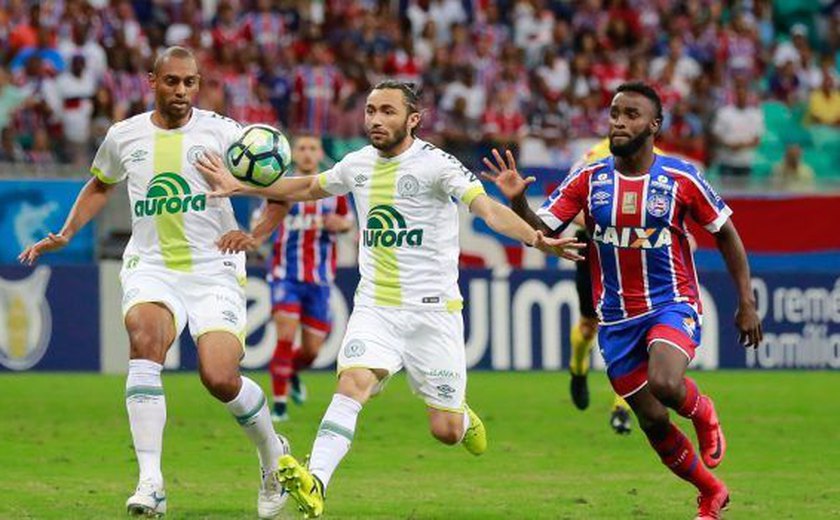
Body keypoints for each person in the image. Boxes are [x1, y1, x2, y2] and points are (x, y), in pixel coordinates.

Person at [195, 79, 584, 518]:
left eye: (387, 112)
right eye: (371, 111)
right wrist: (241, 187)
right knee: (352, 385)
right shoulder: (357, 164)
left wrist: (536, 237)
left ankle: (461, 414)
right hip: (376, 307)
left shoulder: (438, 165)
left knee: (446, 430)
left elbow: (488, 210)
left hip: (433, 314)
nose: (376, 120)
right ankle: (316, 481)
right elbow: (306, 188)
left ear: (412, 120)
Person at [18, 46, 289, 520]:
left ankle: (273, 458)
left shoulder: (227, 134)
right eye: (172, 82)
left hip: (213, 268)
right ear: (152, 81)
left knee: (219, 377)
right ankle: (151, 482)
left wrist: (253, 234)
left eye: (189, 82)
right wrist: (65, 232)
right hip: (151, 265)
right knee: (144, 343)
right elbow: (101, 184)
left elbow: (278, 192)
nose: (181, 91)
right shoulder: (124, 135)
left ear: (198, 85)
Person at [482, 82, 762, 520]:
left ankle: (704, 412)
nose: (619, 121)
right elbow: (547, 230)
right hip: (615, 320)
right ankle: (711, 493)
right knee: (652, 420)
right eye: (614, 113)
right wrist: (518, 199)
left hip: (671, 302)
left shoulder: (681, 178)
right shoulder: (589, 179)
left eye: (631, 115)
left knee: (667, 384)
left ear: (653, 125)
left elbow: (725, 232)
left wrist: (746, 300)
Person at [216, 134, 354, 422]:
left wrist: (337, 224)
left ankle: (290, 373)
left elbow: (348, 223)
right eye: (302, 147)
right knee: (285, 338)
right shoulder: (278, 188)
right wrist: (253, 234)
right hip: (285, 276)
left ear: (319, 154)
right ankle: (278, 406)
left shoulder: (333, 191)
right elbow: (258, 223)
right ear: (292, 153)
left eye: (312, 147)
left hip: (319, 280)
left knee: (312, 351)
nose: (306, 153)